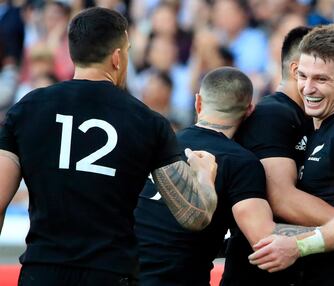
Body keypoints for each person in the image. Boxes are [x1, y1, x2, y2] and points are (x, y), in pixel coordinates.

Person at [0, 7, 218, 286]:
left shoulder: (26, 109)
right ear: (117, 57)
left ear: (73, 53)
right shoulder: (146, 121)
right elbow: (195, 215)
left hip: (42, 271)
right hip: (110, 273)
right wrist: (204, 175)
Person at [222, 26, 334, 285]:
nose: (307, 88)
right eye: (303, 76)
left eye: (321, 79)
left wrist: (298, 246)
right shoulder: (324, 126)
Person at [134, 66, 315, 286]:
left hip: (128, 275)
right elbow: (262, 237)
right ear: (249, 110)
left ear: (198, 102)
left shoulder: (158, 146)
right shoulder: (240, 162)